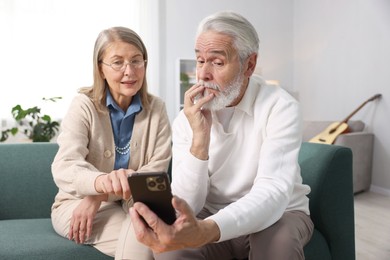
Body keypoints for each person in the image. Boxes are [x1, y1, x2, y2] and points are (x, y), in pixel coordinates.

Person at [130, 11, 314, 260]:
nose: (203, 74)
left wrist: (208, 230)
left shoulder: (281, 107)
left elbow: (272, 192)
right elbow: (188, 204)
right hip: (210, 214)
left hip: (279, 215)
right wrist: (199, 141)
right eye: (199, 60)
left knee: (276, 248)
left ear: (249, 65)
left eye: (217, 63)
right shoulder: (187, 119)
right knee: (171, 253)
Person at [51, 26, 171, 259]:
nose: (130, 71)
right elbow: (66, 166)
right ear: (101, 69)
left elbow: (155, 173)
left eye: (137, 61)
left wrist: (99, 196)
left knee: (168, 239)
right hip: (77, 203)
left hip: (134, 202)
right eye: (117, 62)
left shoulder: (157, 108)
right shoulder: (83, 105)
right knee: (146, 239)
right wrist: (99, 185)